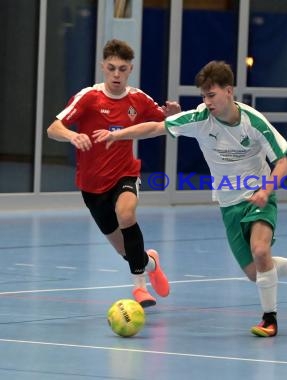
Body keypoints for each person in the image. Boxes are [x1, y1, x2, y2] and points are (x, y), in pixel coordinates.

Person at [93, 60, 287, 337]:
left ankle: (270, 319)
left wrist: (266, 190)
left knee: (260, 251)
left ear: (229, 91)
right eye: (203, 96)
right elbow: (155, 128)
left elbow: (283, 164)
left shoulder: (252, 122)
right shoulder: (198, 119)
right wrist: (119, 135)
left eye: (212, 95)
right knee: (256, 273)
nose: (207, 102)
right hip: (229, 205)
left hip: (259, 197)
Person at [46, 39, 179, 308]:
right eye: (111, 68)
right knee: (126, 251)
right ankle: (151, 262)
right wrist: (72, 136)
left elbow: (163, 121)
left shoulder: (138, 99)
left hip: (124, 175)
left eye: (122, 69)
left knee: (126, 214)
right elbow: (53, 128)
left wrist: (173, 114)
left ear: (130, 69)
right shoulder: (89, 98)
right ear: (102, 67)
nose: (116, 74)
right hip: (92, 187)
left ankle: (140, 289)